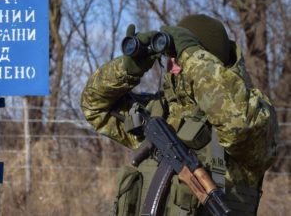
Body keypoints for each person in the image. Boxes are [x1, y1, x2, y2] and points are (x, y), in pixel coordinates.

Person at [81, 14, 278, 216]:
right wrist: (128, 68)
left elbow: (238, 126)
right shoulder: (159, 111)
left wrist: (192, 55)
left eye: (181, 55)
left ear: (206, 60)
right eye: (170, 55)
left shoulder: (254, 111)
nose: (173, 63)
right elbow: (94, 106)